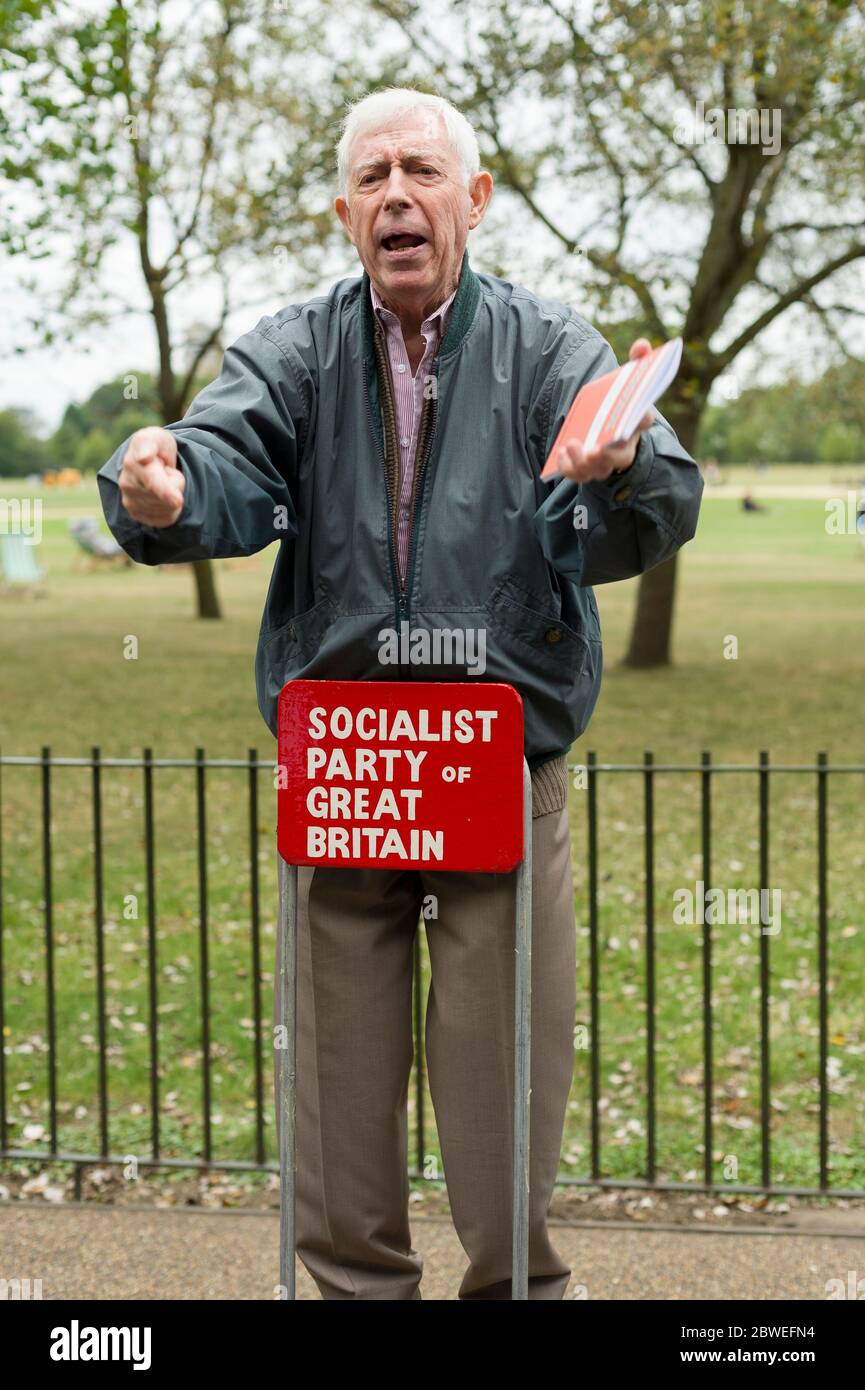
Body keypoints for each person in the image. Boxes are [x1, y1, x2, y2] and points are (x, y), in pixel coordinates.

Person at [97, 87, 703, 1300]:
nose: (395, 196)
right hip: (348, 762)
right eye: (370, 177)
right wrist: (160, 491)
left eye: (421, 171)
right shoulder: (294, 347)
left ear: (472, 200)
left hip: (496, 754)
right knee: (337, 1071)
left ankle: (515, 1291)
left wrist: (619, 458)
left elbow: (657, 493)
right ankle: (353, 1291)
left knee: (502, 1068)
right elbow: (221, 458)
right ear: (342, 212)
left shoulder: (545, 346)